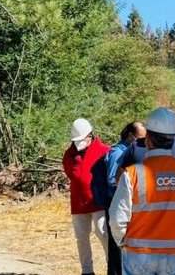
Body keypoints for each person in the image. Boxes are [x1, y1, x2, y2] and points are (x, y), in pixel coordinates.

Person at [109, 107, 175, 275]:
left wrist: (123, 242)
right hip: (174, 254)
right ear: (173, 140)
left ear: (148, 139)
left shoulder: (131, 174)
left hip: (138, 253)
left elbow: (117, 218)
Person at [64, 117, 112, 275]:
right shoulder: (69, 155)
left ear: (90, 136)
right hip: (78, 203)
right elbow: (71, 174)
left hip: (99, 201)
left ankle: (112, 266)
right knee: (81, 237)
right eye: (75, 140)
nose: (78, 143)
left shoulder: (104, 150)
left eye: (81, 139)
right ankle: (87, 271)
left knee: (103, 233)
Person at [100, 121, 146, 275]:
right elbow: (112, 179)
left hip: (125, 204)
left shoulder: (131, 151)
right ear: (131, 136)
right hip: (116, 204)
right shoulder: (118, 153)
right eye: (140, 138)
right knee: (117, 247)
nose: (143, 142)